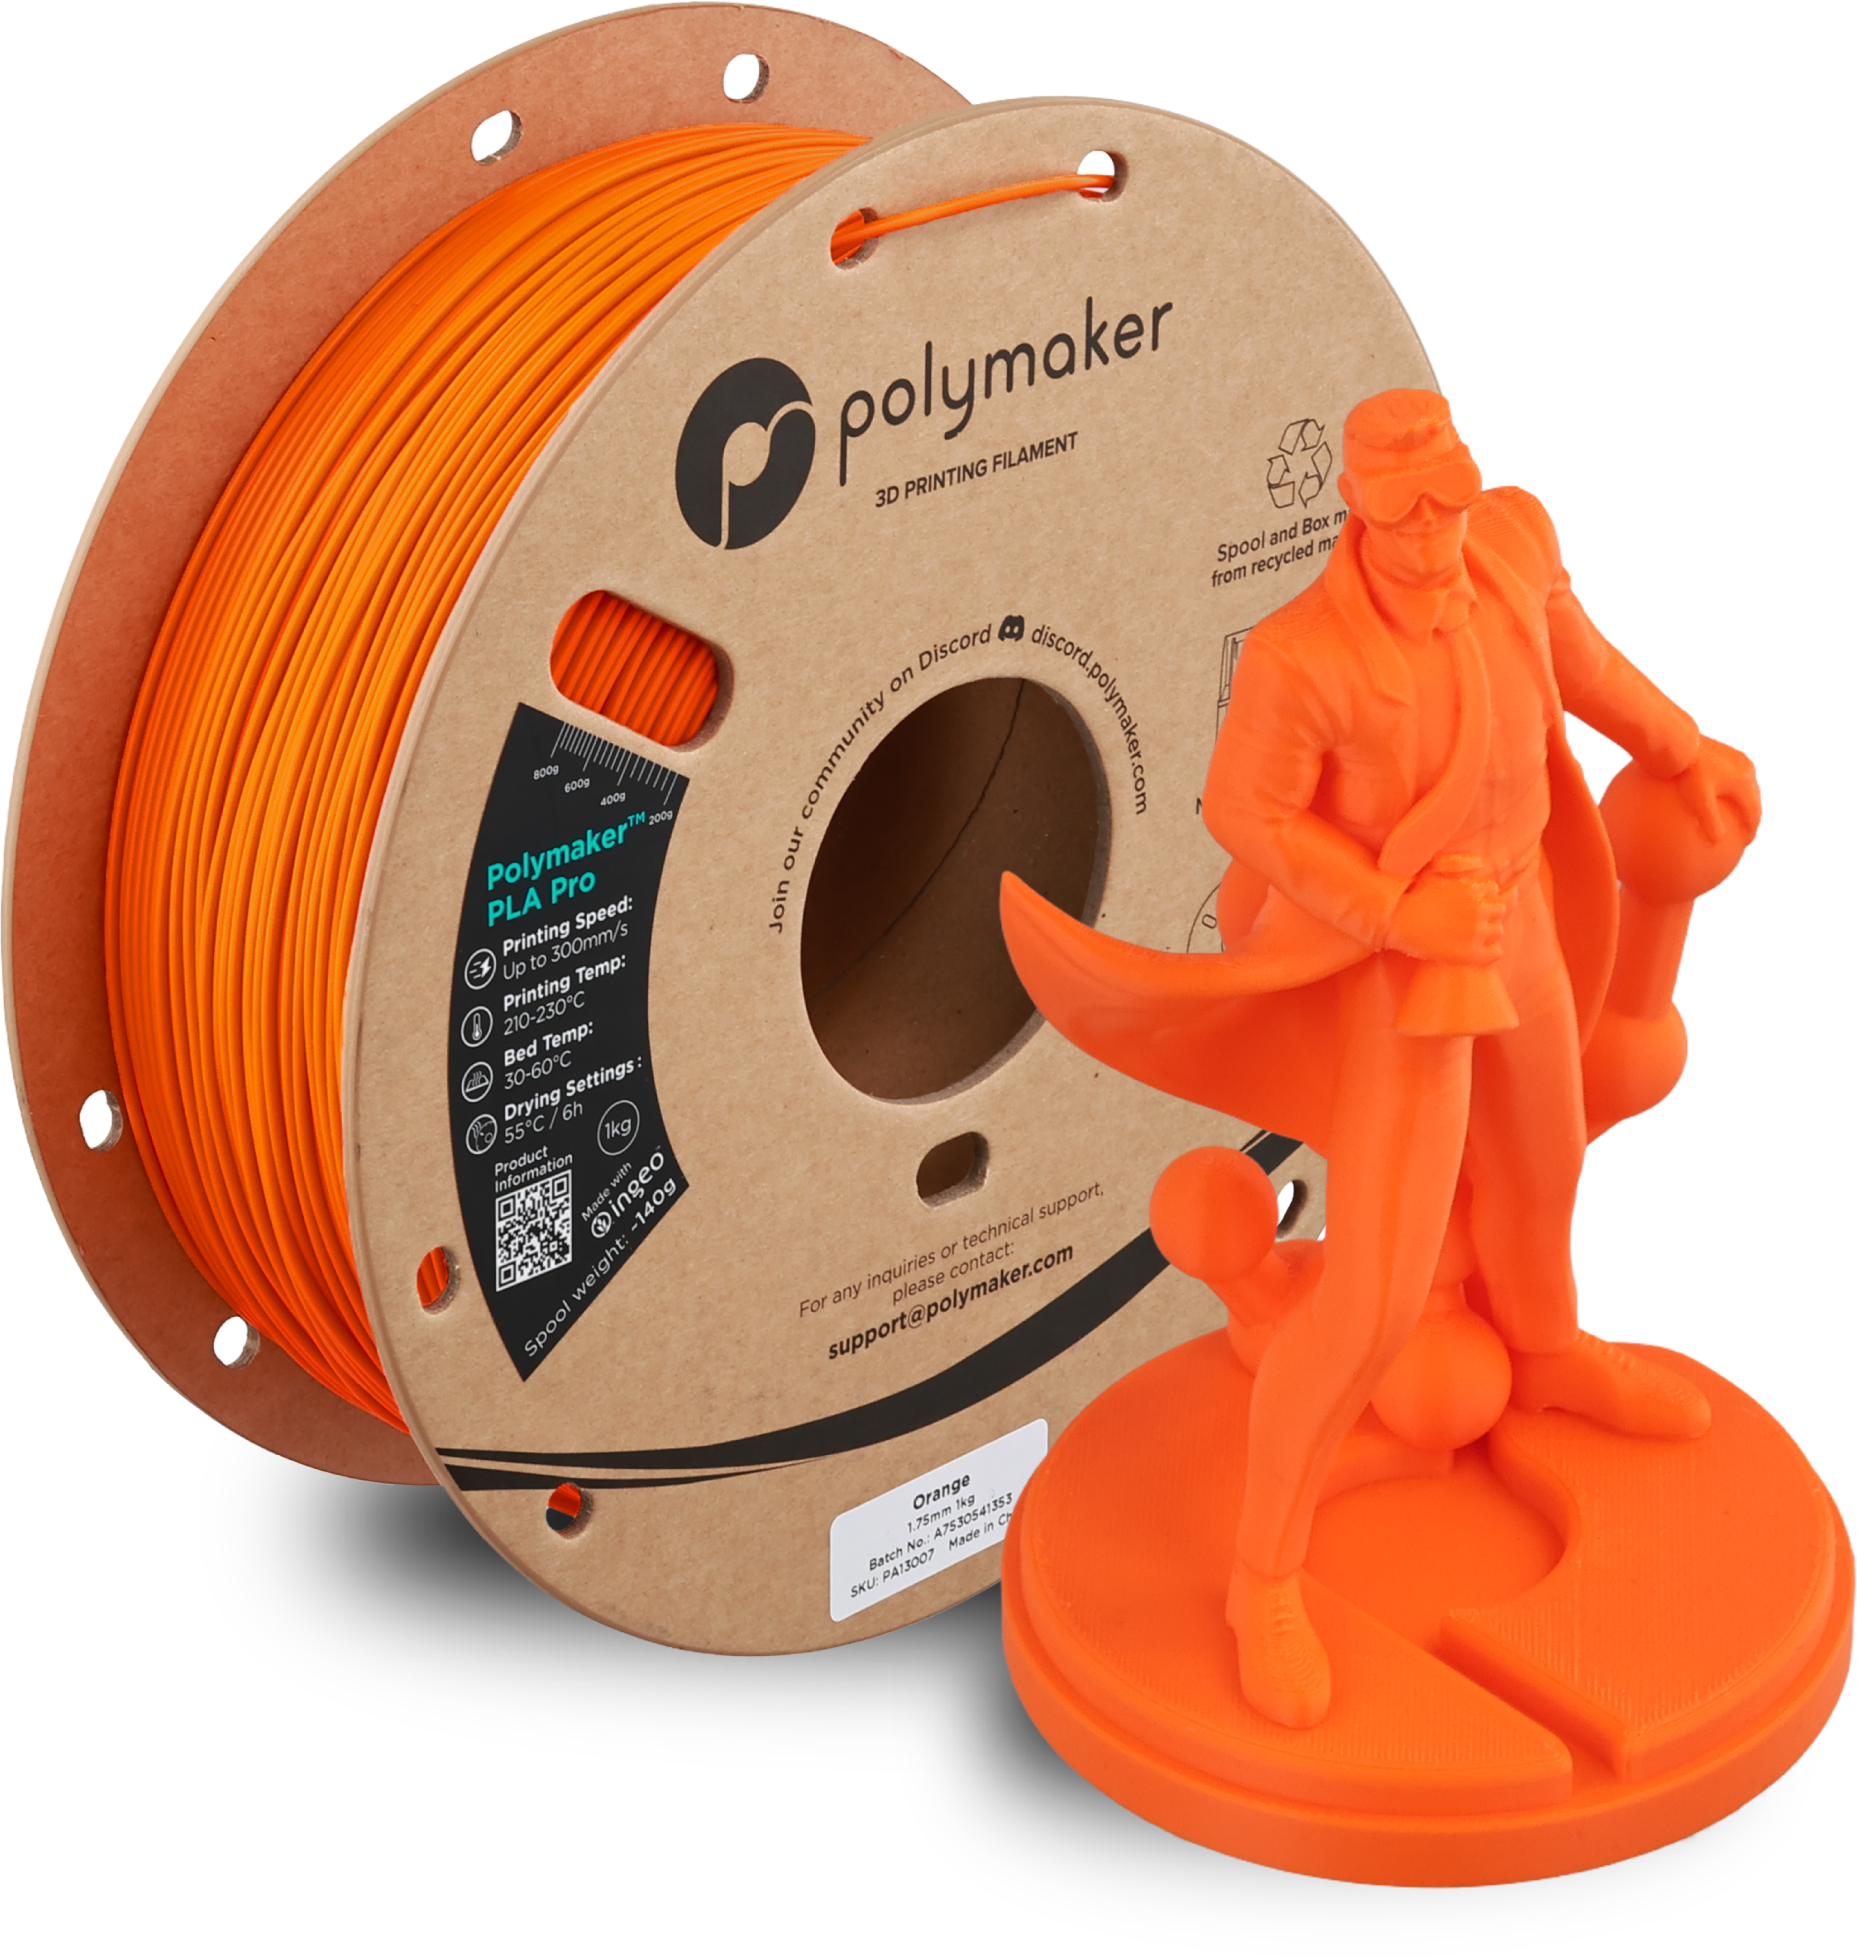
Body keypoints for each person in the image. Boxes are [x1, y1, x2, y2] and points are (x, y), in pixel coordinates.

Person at [999, 388, 1760, 1728]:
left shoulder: (1510, 545)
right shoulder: (1306, 657)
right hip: (1403, 976)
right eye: (1404, 514)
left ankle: (1549, 1352)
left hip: (1520, 924)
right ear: (1355, 508)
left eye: (1448, 499)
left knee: (1542, 1173)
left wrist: (1678, 738)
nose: (1431, 534)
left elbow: (1580, 662)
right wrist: (1398, 915)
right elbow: (1246, 812)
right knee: (1373, 1298)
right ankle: (1264, 1577)